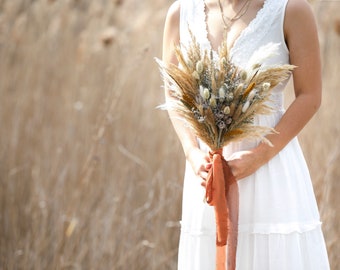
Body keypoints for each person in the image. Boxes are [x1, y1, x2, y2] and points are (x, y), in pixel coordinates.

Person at [161, 0, 330, 269]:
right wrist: (192, 152)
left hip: (270, 169)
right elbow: (172, 93)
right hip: (206, 176)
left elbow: (310, 96)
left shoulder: (292, 10)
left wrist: (259, 156)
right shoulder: (181, 12)